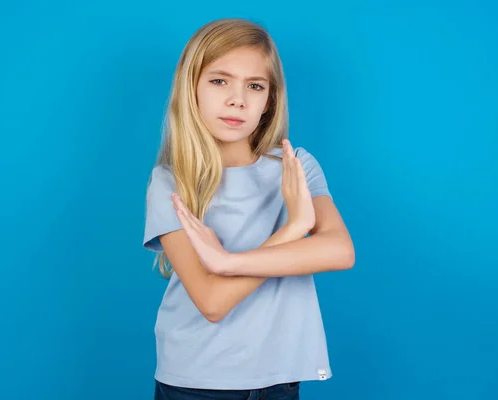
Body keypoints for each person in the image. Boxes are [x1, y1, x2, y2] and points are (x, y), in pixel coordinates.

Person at [143, 17, 355, 400]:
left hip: (279, 378)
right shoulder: (171, 180)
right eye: (219, 80)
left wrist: (227, 263)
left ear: (269, 99)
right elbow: (210, 302)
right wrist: (294, 229)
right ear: (191, 87)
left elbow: (340, 251)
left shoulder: (295, 165)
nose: (237, 99)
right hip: (197, 382)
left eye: (254, 86)